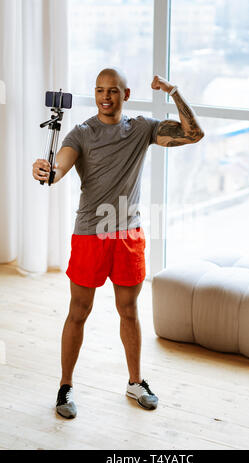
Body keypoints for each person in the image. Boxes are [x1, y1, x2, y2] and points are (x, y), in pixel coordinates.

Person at [32, 67, 204, 419]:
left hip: (128, 234)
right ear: (94, 95)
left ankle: (135, 382)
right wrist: (48, 171)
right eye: (99, 90)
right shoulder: (81, 133)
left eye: (113, 90)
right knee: (78, 312)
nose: (105, 97)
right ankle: (65, 387)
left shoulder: (141, 128)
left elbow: (194, 134)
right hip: (90, 235)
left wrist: (174, 91)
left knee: (129, 311)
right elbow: (60, 167)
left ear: (125, 95)